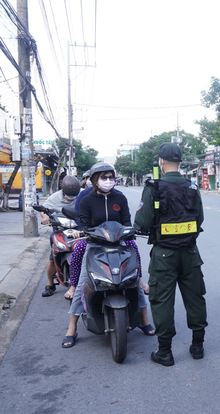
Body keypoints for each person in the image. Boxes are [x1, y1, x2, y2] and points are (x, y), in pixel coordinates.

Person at [63, 162, 154, 347]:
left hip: (118, 242)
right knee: (82, 284)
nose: (108, 181)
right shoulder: (86, 199)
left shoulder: (119, 198)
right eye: (104, 177)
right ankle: (71, 326)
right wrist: (80, 231)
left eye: (111, 177)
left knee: (133, 279)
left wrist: (131, 231)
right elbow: (83, 222)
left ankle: (144, 318)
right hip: (94, 244)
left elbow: (127, 221)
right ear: (95, 180)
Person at [134, 142, 207, 366]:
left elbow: (142, 222)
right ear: (181, 162)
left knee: (162, 300)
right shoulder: (192, 187)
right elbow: (199, 220)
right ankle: (197, 346)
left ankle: (165, 352)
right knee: (195, 298)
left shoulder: (154, 187)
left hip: (164, 255)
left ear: (161, 162)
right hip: (190, 252)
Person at [39, 175, 80, 297]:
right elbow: (43, 209)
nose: (71, 199)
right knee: (52, 258)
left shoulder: (83, 194)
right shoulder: (54, 197)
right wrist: (45, 217)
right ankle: (50, 283)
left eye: (74, 195)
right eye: (69, 195)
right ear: (63, 191)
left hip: (79, 229)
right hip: (60, 229)